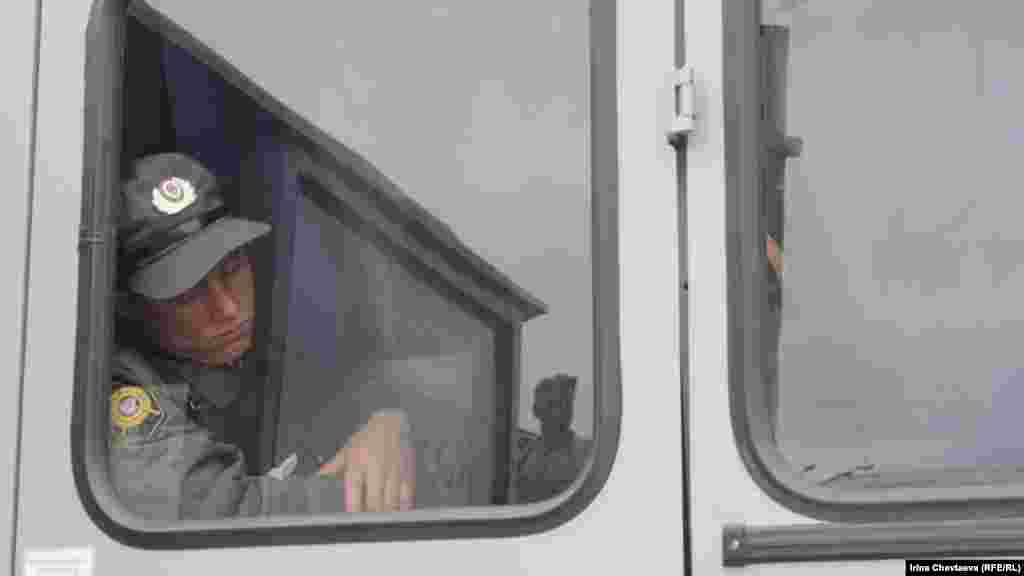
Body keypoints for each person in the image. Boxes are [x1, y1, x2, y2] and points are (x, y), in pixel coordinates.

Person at [110, 153, 416, 520]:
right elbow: (216, 514)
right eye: (189, 294)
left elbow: (359, 387)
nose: (227, 308)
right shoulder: (125, 390)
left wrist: (389, 417)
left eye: (232, 269)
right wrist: (367, 488)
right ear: (130, 305)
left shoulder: (268, 350)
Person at [514, 373, 590, 503]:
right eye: (553, 404)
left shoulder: (586, 455)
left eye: (567, 404)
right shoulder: (525, 454)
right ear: (536, 410)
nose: (562, 412)